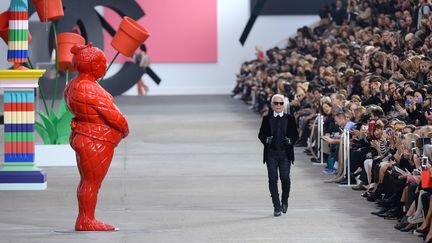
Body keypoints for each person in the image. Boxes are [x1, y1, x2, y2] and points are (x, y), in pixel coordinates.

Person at [64, 44, 129, 231]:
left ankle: (85, 217)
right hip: (96, 140)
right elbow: (114, 116)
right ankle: (86, 220)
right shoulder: (90, 89)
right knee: (91, 183)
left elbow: (73, 109)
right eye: (102, 62)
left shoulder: (72, 85)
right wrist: (125, 130)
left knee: (87, 181)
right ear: (93, 66)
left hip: (83, 136)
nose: (105, 66)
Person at [258, 94, 299, 216]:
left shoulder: (290, 119)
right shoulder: (266, 119)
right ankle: (276, 205)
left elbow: (295, 135)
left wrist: (291, 141)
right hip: (271, 153)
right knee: (272, 179)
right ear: (272, 105)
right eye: (276, 103)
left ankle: (284, 200)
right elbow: (261, 134)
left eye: (281, 103)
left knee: (285, 178)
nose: (278, 106)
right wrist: (266, 140)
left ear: (284, 105)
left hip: (285, 154)